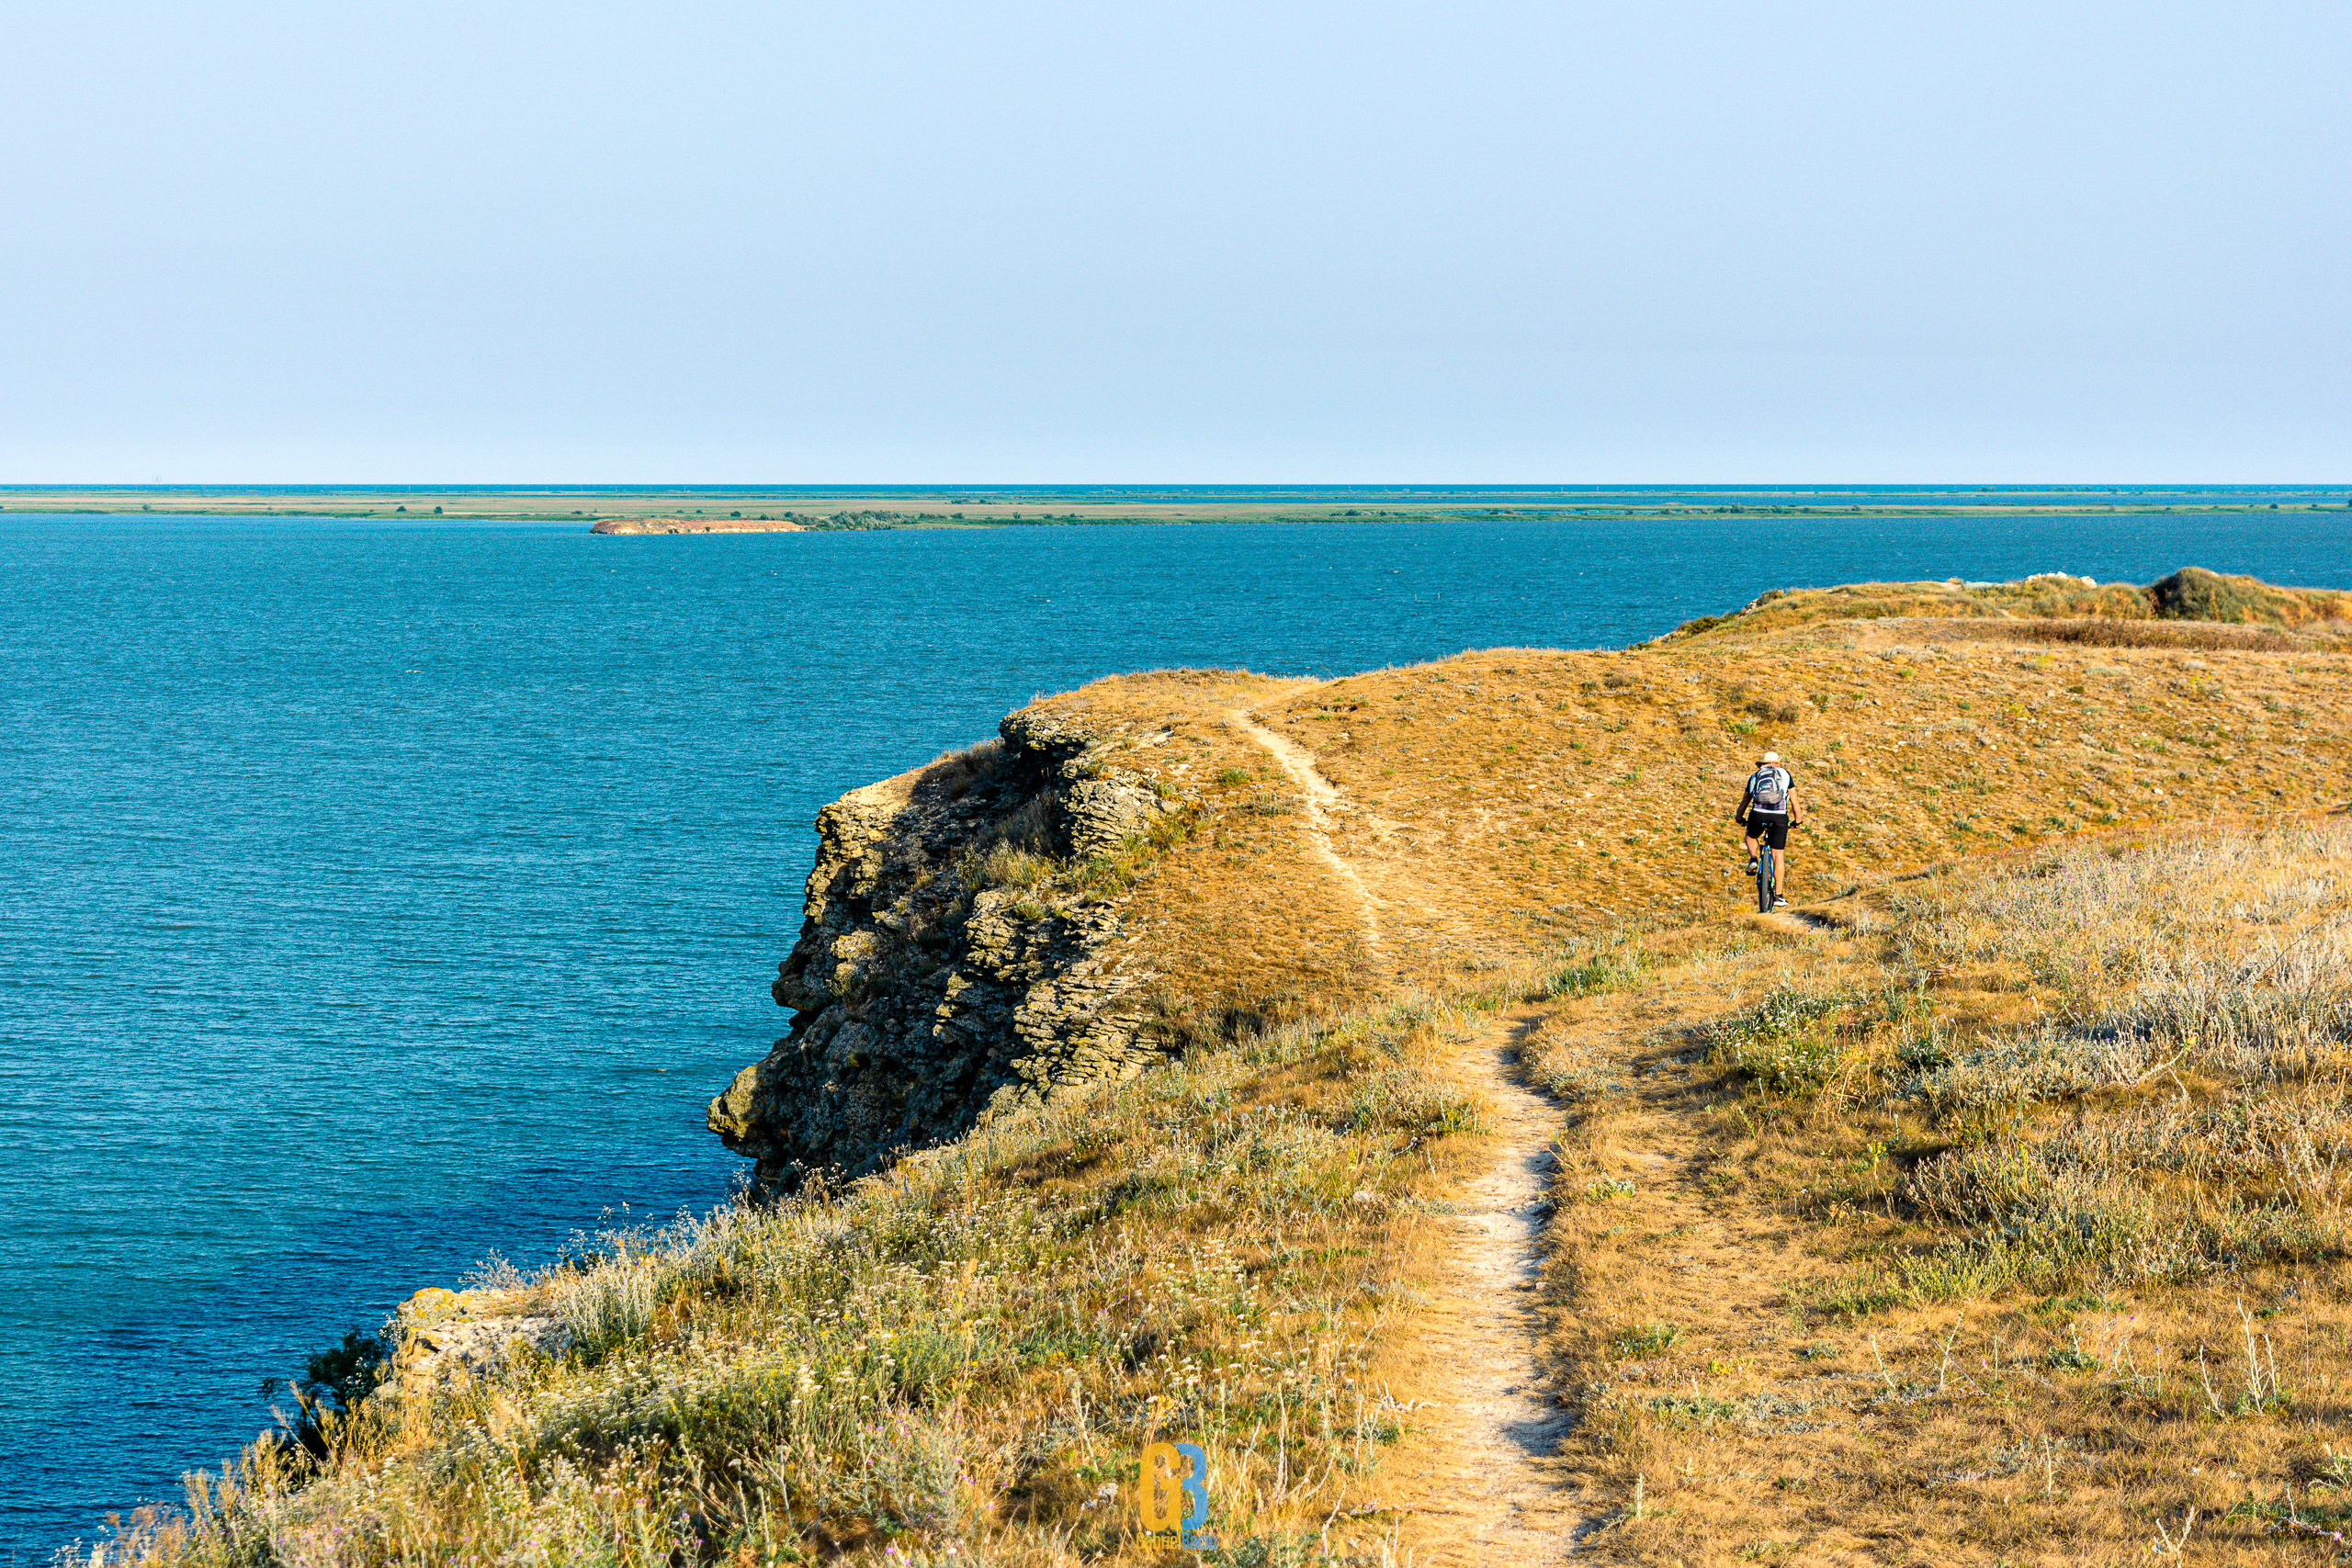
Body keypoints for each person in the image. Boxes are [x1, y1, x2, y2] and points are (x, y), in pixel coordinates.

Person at [1735, 750, 1804, 908]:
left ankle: (1753, 859)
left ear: (1762, 764)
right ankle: (1778, 896)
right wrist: (1797, 821)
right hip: (1779, 816)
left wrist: (1739, 818)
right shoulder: (1785, 774)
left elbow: (1746, 799)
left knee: (1751, 836)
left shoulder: (1755, 776)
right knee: (1778, 854)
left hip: (1757, 814)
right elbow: (1794, 800)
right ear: (1777, 763)